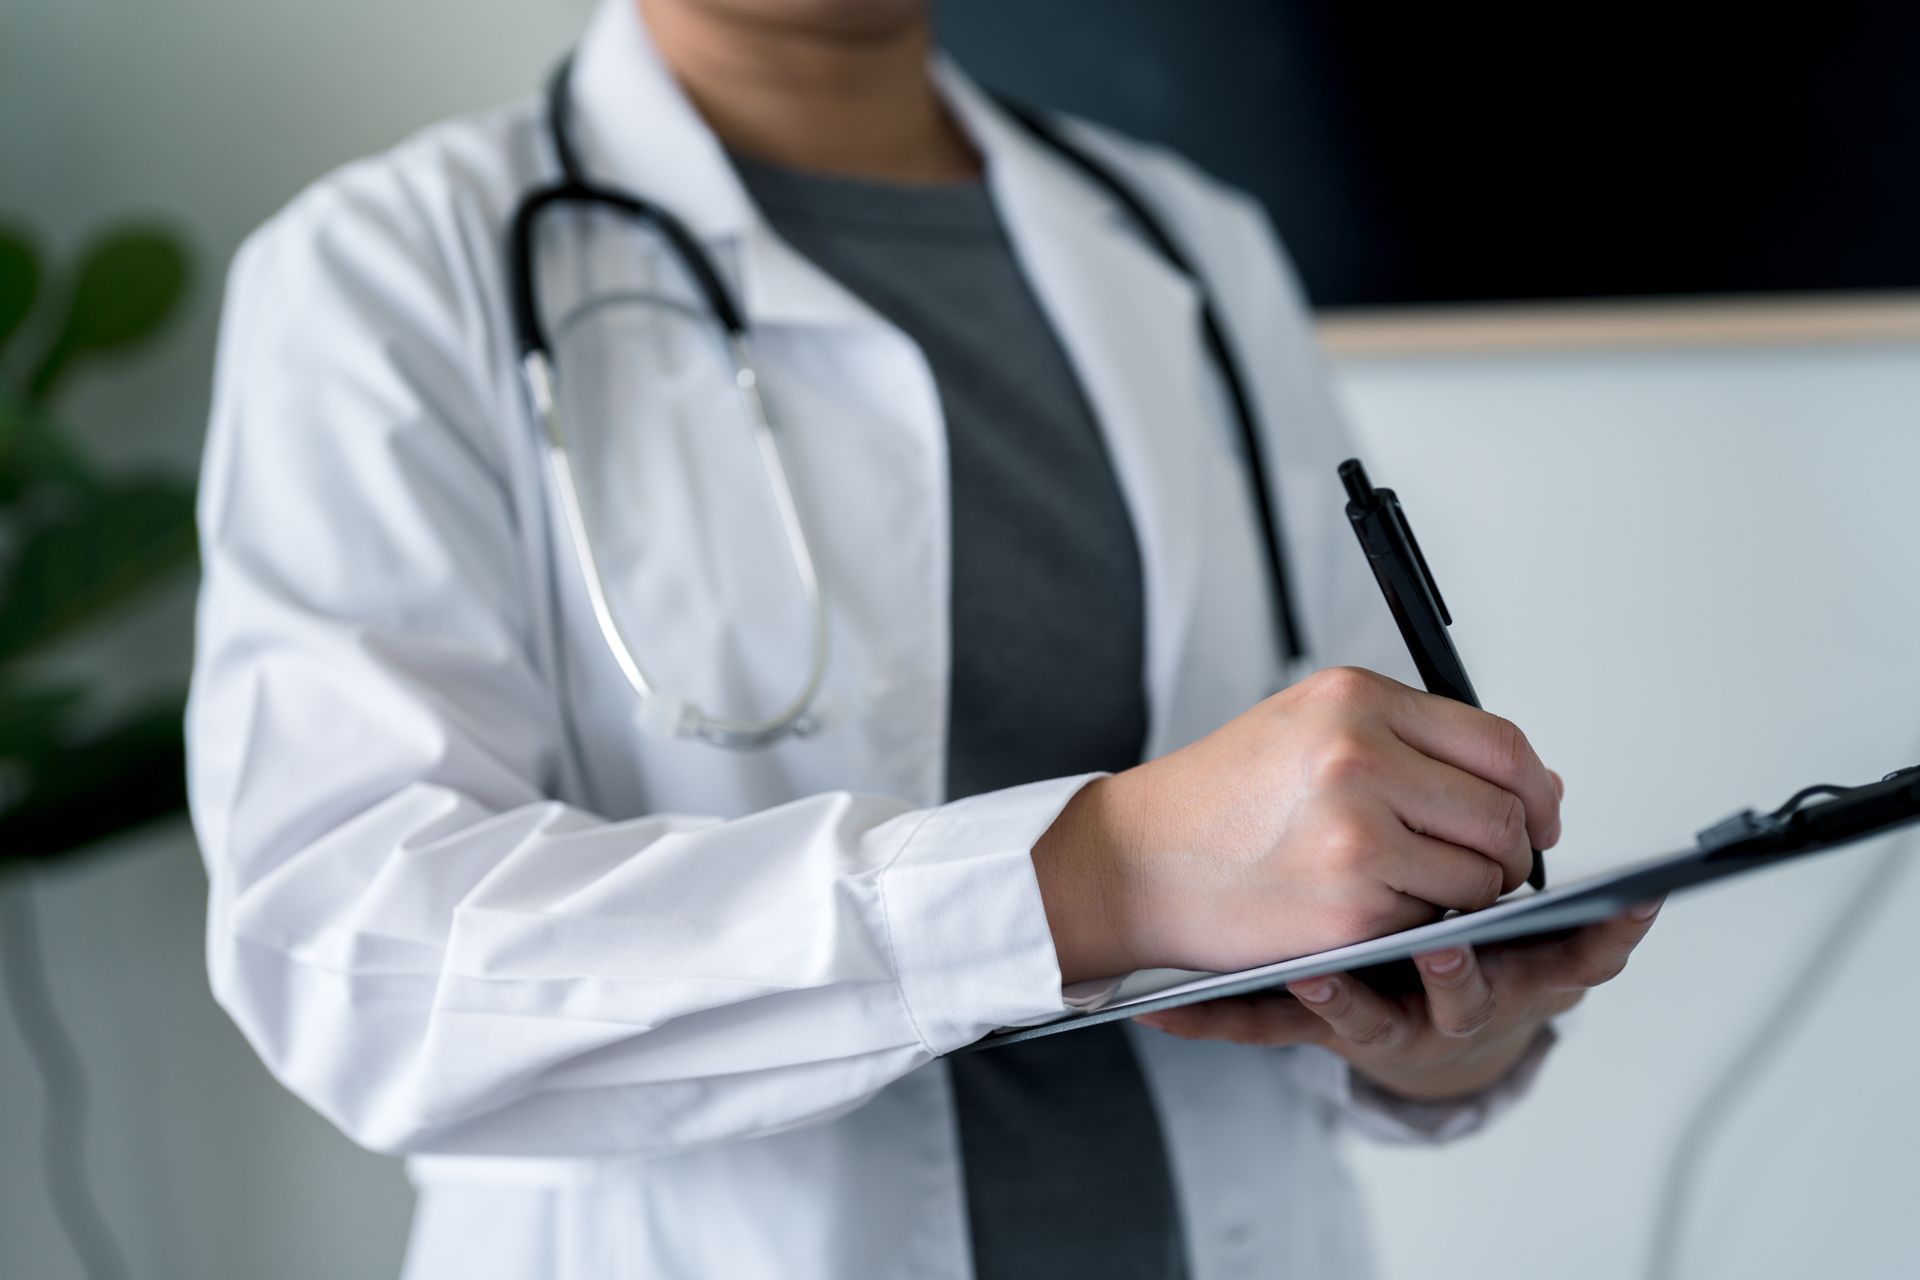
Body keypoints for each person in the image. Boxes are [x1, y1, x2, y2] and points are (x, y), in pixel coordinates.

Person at [184, 0, 1660, 1276]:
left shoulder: (1190, 244)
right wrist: (1098, 875)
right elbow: (355, 956)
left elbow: (1328, 835)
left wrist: (1439, 1024)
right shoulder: (385, 265)